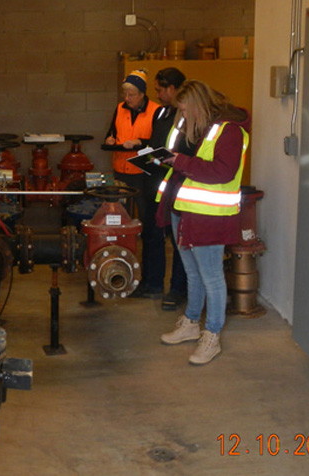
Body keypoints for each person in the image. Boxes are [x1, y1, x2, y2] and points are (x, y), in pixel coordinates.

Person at [156, 80, 250, 365]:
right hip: (184, 210)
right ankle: (192, 322)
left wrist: (180, 161)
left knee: (212, 278)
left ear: (198, 105)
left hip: (209, 217)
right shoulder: (198, 129)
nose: (182, 116)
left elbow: (222, 171)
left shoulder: (229, 131)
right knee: (193, 274)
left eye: (185, 110)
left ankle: (212, 335)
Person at [104, 69, 161, 297]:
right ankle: (121, 273)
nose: (127, 99)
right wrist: (110, 139)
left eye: (132, 94)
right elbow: (112, 132)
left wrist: (140, 141)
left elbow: (158, 143)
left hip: (143, 175)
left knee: (148, 226)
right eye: (125, 94)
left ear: (142, 94)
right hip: (122, 172)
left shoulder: (156, 111)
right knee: (120, 225)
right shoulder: (119, 109)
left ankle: (148, 278)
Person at [143, 68, 194, 308]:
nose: (158, 93)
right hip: (157, 180)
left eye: (161, 89)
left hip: (177, 183)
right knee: (152, 234)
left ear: (173, 89)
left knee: (177, 239)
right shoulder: (161, 112)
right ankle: (152, 283)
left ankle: (177, 288)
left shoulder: (186, 117)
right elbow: (157, 144)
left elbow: (185, 150)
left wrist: (169, 160)